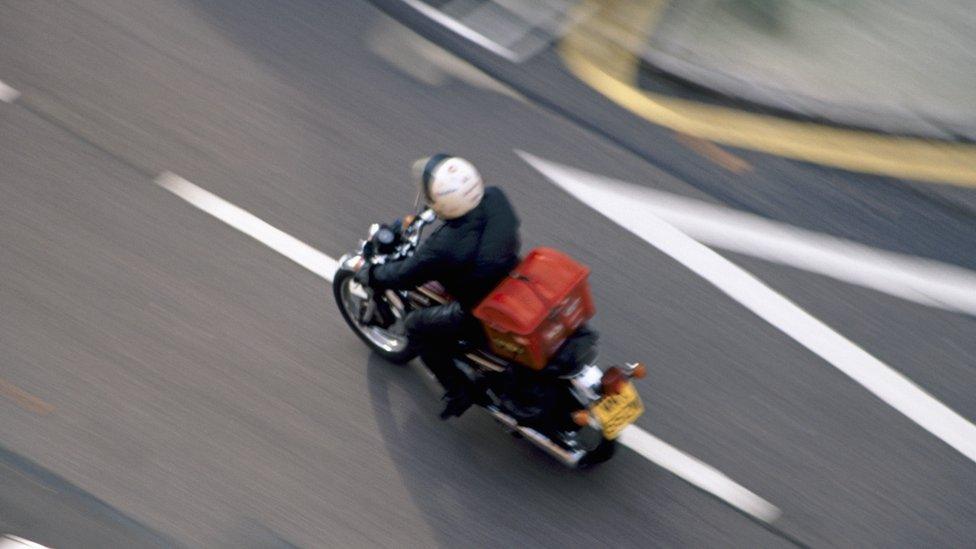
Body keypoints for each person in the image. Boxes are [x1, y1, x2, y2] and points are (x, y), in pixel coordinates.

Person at [355, 154, 521, 419]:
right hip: (512, 278)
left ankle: (458, 390)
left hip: (475, 308)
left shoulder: (443, 247)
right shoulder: (495, 197)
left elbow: (405, 275)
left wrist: (373, 274)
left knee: (416, 328)